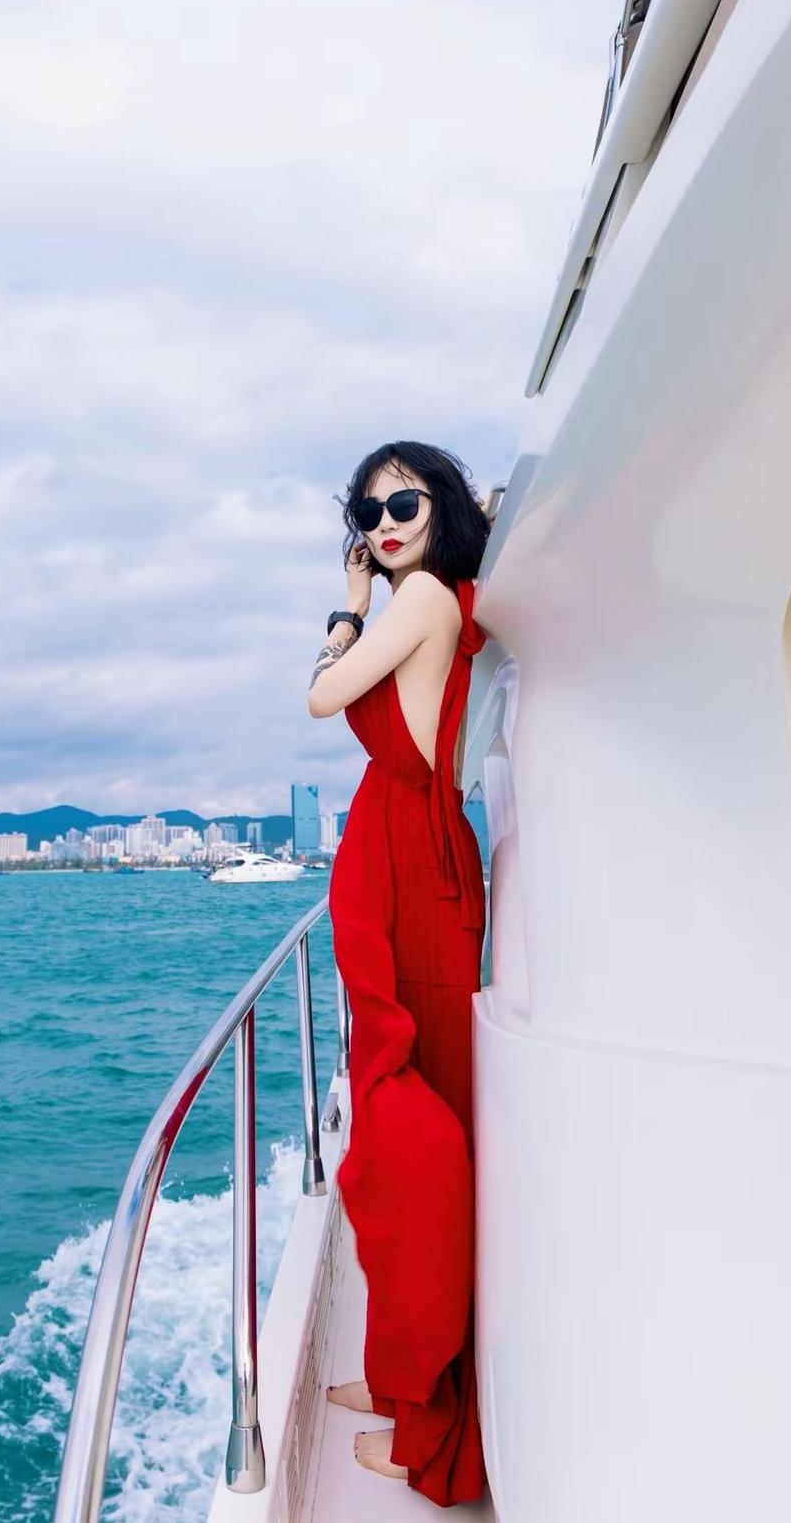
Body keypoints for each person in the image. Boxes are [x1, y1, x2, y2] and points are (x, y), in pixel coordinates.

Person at [307, 440, 490, 1506]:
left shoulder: (418, 599)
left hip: (416, 875)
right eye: (367, 513)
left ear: (440, 506)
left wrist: (345, 611)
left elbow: (321, 697)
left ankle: (434, 1426)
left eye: (404, 503)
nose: (382, 525)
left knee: (411, 1145)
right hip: (408, 864)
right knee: (394, 1135)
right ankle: (401, 1381)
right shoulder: (437, 596)